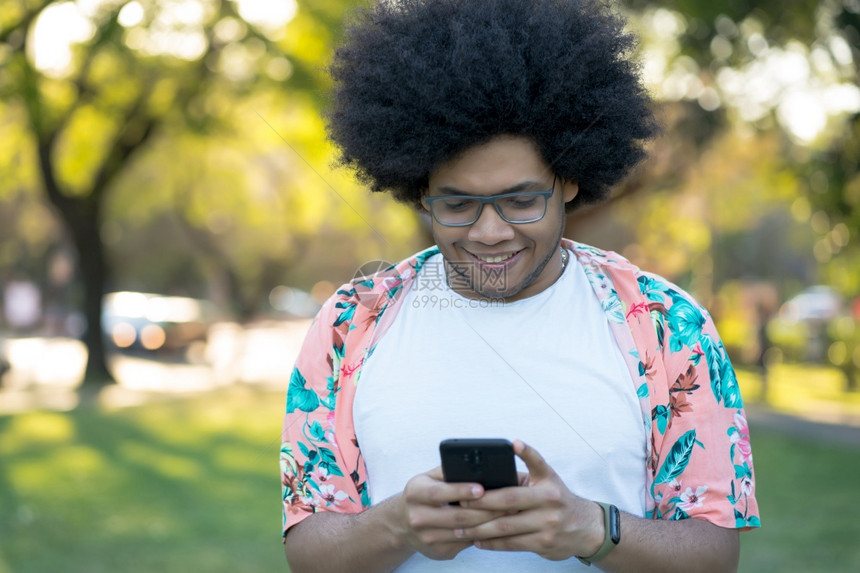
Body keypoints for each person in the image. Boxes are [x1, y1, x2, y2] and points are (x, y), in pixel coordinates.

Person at [279, 1, 760, 571]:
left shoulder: (666, 323)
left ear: (570, 180)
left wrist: (592, 529)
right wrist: (398, 524)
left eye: (521, 200)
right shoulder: (347, 325)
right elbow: (309, 552)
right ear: (418, 191)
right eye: (458, 204)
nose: (490, 232)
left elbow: (714, 554)